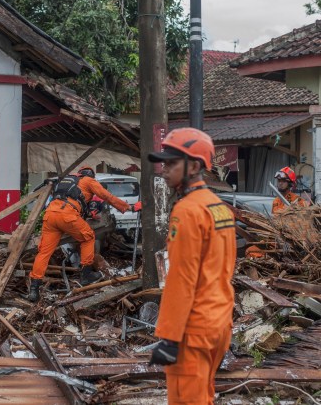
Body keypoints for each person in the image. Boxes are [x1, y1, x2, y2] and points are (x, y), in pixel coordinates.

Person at [147, 127, 237, 405]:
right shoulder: (218, 206)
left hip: (193, 329)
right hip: (219, 322)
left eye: (172, 163)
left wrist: (169, 337)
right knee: (203, 396)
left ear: (195, 166)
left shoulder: (187, 211)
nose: (164, 170)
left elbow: (181, 279)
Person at [28, 166, 141, 302]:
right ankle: (86, 274)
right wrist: (129, 207)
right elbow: (106, 195)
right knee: (88, 237)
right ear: (90, 175)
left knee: (44, 252)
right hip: (67, 215)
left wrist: (89, 213)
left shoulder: (67, 181)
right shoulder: (88, 180)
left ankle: (34, 289)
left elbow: (73, 200)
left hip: (50, 215)